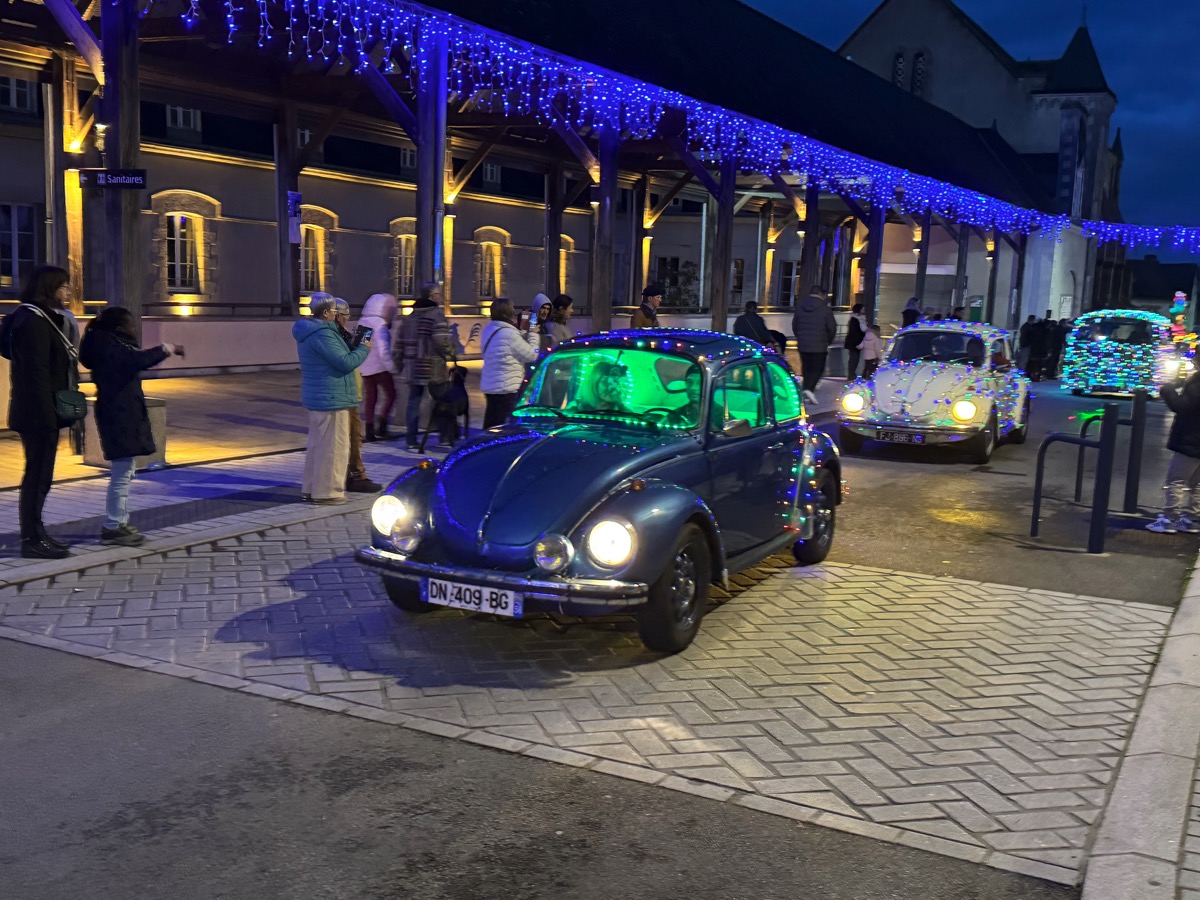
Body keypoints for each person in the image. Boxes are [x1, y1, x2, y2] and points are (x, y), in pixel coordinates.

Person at [79, 307, 182, 547]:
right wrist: (166, 348)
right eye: (131, 324)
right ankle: (113, 526)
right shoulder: (109, 347)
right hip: (118, 415)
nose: (135, 329)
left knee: (125, 470)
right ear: (119, 327)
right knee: (122, 472)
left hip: (121, 413)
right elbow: (136, 361)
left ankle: (118, 522)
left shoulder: (108, 343)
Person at [6, 266, 76, 558]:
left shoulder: (37, 317)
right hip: (37, 413)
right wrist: (48, 417)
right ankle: (31, 539)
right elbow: (37, 375)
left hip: (40, 410)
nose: (68, 291)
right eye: (63, 286)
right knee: (36, 476)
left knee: (40, 476)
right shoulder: (33, 321)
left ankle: (37, 533)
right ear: (49, 288)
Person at [293, 294, 371, 504]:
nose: (337, 316)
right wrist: (364, 347)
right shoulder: (324, 335)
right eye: (335, 312)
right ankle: (328, 492)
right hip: (332, 397)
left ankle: (311, 488)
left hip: (322, 396)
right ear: (326, 312)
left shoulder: (311, 331)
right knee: (334, 448)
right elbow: (345, 363)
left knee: (318, 445)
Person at [392, 282, 453, 451]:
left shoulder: (410, 317)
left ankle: (411, 440)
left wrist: (399, 363)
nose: (440, 297)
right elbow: (441, 340)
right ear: (432, 296)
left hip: (413, 366)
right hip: (432, 366)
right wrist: (451, 352)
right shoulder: (436, 314)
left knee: (414, 402)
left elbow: (399, 343)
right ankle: (444, 437)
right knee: (442, 401)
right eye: (438, 294)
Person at [332, 297, 382, 493]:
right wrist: (364, 347)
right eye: (345, 315)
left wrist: (359, 342)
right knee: (353, 436)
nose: (347, 319)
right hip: (345, 393)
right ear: (337, 315)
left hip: (349, 391)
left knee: (351, 435)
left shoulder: (340, 334)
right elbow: (348, 361)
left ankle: (348, 473)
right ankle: (356, 475)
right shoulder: (334, 336)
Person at [1148, 368, 1200, 533]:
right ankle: (1191, 520)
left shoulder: (1198, 383)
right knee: (1197, 483)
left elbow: (1181, 405)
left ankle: (1169, 520)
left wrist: (1167, 390)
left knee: (1176, 480)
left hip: (1191, 440)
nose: (1193, 360)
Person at [480, 298, 540, 428]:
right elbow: (532, 354)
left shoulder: (488, 330)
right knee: (505, 428)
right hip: (507, 388)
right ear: (509, 312)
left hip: (490, 386)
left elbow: (506, 346)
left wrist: (521, 333)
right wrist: (533, 335)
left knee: (491, 425)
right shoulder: (510, 334)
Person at [358, 292, 399, 442]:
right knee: (391, 395)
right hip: (380, 368)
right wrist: (392, 367)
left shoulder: (363, 322)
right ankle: (382, 425)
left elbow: (358, 346)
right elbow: (383, 350)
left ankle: (369, 430)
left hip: (366, 367)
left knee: (371, 398)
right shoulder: (380, 325)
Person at [790, 284, 838, 404]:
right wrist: (827, 341)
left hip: (803, 344)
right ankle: (809, 389)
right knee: (817, 368)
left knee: (806, 367)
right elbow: (832, 328)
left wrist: (800, 337)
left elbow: (795, 325)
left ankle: (806, 391)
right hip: (819, 345)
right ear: (821, 294)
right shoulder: (825, 310)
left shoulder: (800, 308)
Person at [844, 303, 867, 378]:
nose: (864, 310)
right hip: (855, 342)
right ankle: (851, 375)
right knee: (854, 359)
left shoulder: (858, 319)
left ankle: (852, 374)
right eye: (863, 309)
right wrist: (857, 342)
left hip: (855, 342)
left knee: (854, 359)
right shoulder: (856, 320)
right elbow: (855, 332)